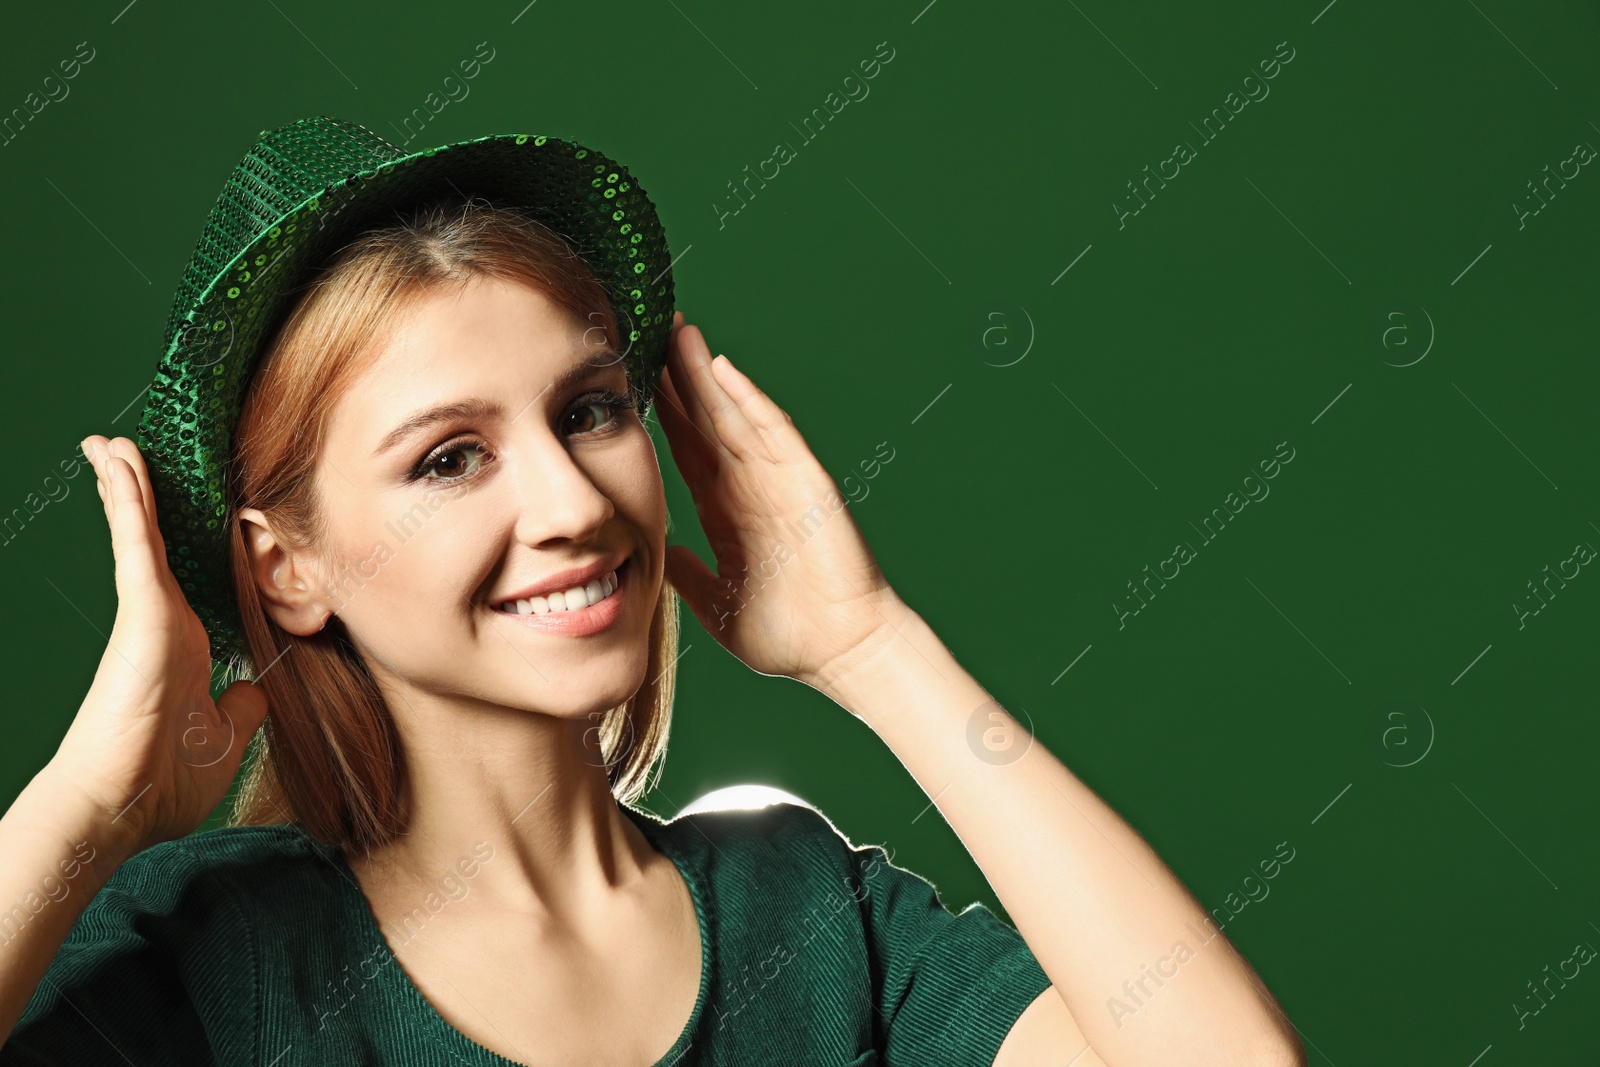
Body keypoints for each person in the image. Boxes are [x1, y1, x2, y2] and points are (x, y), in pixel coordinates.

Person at [0, 117, 1305, 1066]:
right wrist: (82, 817)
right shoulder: (217, 963)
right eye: (450, 457)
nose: (573, 505)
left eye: (590, 411)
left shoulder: (807, 916)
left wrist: (872, 650)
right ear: (287, 569)